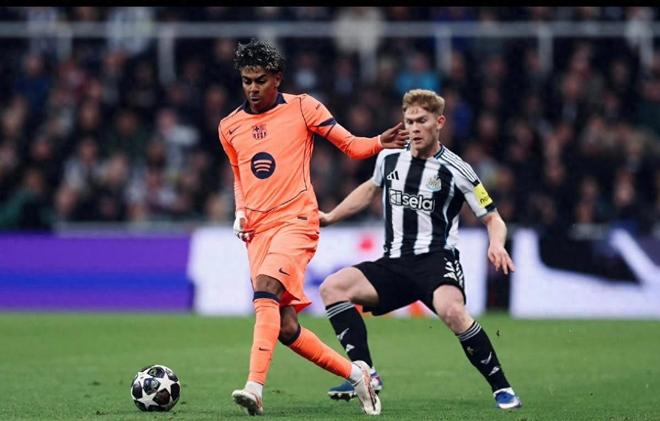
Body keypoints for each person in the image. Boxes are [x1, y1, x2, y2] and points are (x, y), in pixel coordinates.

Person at [217, 39, 408, 416]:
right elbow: (239, 176)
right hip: (257, 231)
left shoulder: (304, 107)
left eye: (260, 81)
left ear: (277, 78)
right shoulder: (229, 126)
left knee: (265, 291)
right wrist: (240, 212)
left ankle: (254, 387)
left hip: (297, 221)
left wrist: (378, 143)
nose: (252, 89)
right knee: (286, 327)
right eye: (246, 81)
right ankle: (356, 374)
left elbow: (351, 146)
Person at [318, 89, 522, 410]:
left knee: (453, 312)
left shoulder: (457, 169)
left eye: (422, 121)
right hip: (394, 263)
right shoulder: (389, 157)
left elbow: (493, 217)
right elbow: (369, 190)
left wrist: (496, 242)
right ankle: (366, 373)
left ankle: (502, 387)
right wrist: (330, 217)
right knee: (333, 288)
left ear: (439, 122)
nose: (414, 128)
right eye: (409, 121)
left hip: (436, 261)